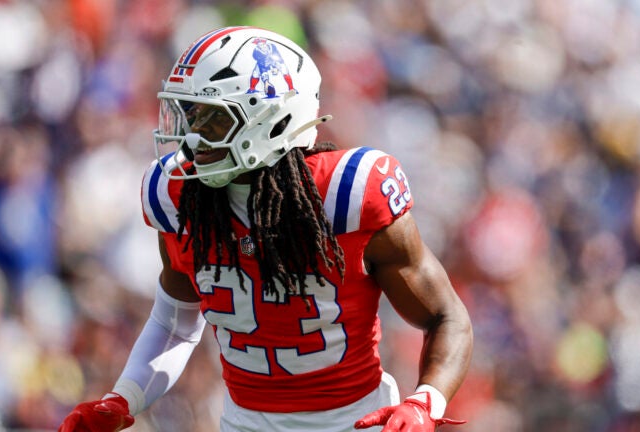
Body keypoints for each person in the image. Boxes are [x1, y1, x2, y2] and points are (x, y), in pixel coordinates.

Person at [58, 26, 473, 432]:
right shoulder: (178, 197)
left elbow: (446, 316)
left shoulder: (347, 194)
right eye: (190, 116)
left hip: (356, 423)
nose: (193, 139)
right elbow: (175, 324)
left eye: (213, 120)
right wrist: (123, 398)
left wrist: (425, 402)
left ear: (271, 121)